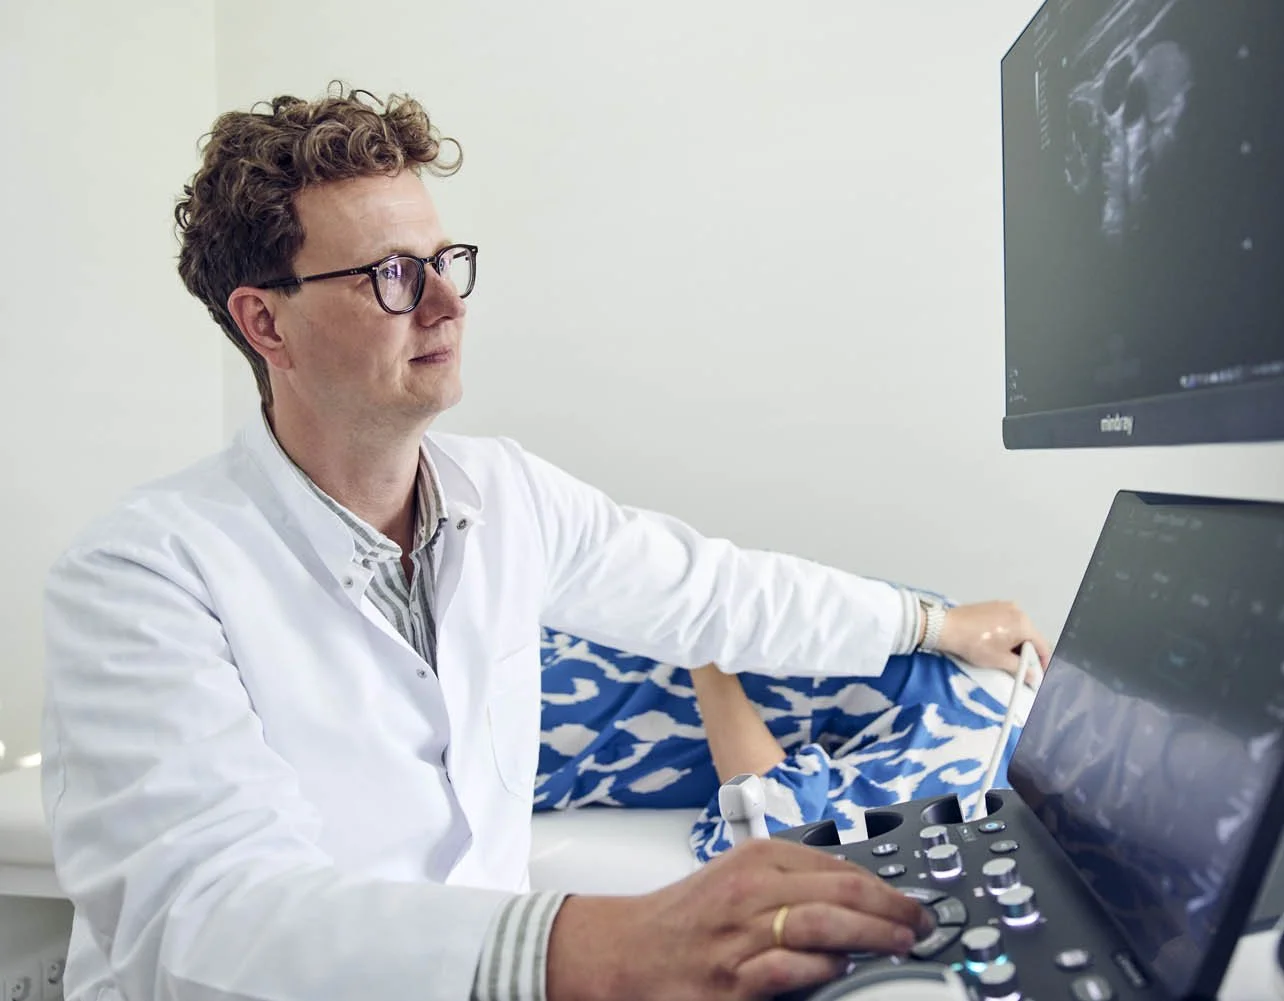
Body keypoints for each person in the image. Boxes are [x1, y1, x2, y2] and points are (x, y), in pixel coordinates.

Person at [39, 85, 1052, 1001]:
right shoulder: (143, 573)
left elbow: (718, 593)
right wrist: (599, 944)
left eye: (444, 261)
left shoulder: (506, 495)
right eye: (392, 275)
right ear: (266, 323)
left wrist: (933, 621)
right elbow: (206, 914)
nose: (446, 302)